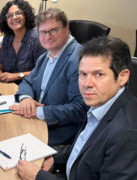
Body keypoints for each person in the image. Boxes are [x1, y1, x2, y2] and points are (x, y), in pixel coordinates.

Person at [15, 37, 137, 180]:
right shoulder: (104, 103)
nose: (86, 83)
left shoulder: (129, 134)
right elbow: (85, 149)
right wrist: (51, 155)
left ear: (122, 77)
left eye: (98, 74)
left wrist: (40, 178)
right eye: (82, 74)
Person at [10, 8, 88, 146]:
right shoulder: (45, 56)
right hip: (36, 122)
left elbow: (80, 109)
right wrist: (26, 98)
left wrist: (39, 112)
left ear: (66, 28)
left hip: (59, 134)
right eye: (43, 32)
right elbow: (27, 82)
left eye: (53, 30)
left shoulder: (79, 60)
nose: (48, 37)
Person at [0, 0, 46, 84]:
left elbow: (42, 71)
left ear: (25, 15)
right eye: (10, 15)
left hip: (30, 87)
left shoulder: (37, 40)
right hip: (9, 85)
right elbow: (2, 63)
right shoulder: (7, 39)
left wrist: (16, 76)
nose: (14, 17)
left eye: (18, 13)